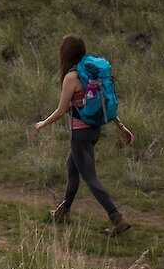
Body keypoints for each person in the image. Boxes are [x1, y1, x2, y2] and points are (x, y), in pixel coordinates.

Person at [33, 34, 134, 235]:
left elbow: (62, 110)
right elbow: (105, 102)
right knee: (72, 168)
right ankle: (64, 210)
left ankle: (117, 218)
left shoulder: (72, 77)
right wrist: (121, 126)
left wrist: (43, 123)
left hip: (80, 134)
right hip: (93, 130)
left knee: (89, 177)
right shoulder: (90, 73)